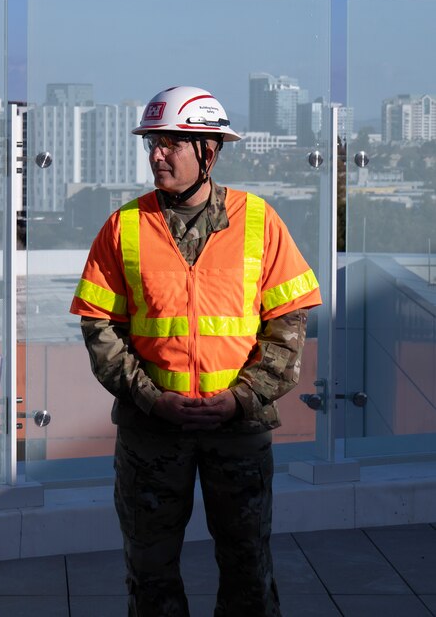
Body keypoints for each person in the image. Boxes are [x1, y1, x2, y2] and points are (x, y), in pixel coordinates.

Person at [70, 86, 322, 617]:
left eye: (172, 144)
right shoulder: (124, 228)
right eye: (153, 144)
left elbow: (288, 324)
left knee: (249, 569)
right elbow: (101, 330)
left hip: (238, 431)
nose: (157, 155)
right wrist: (150, 397)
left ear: (210, 150)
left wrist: (241, 397)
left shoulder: (259, 223)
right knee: (150, 572)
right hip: (151, 432)